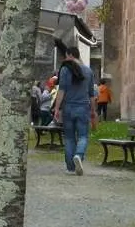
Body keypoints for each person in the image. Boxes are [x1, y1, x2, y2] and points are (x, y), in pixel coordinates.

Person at [51, 46, 96, 175]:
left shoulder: (65, 70)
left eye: (66, 56)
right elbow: (92, 94)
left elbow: (62, 91)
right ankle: (79, 155)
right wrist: (93, 111)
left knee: (69, 138)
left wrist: (57, 108)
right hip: (83, 108)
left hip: (68, 108)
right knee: (83, 136)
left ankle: (70, 168)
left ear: (70, 55)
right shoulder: (88, 71)